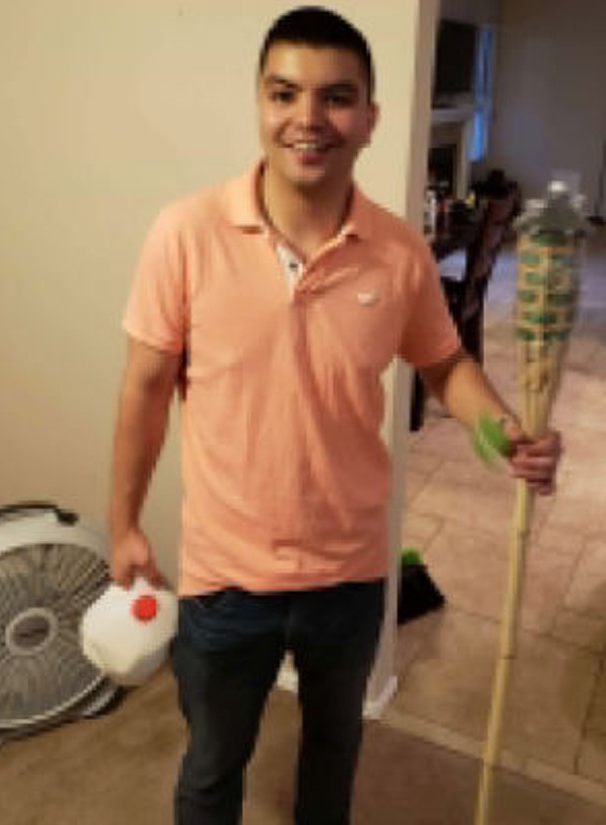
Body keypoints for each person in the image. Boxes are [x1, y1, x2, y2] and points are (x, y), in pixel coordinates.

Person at [108, 7, 562, 824]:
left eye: (336, 97)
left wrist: (503, 435)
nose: (308, 119)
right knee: (211, 767)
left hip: (350, 572)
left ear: (370, 119)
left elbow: (443, 361)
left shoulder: (397, 250)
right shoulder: (185, 234)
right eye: (285, 94)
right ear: (259, 103)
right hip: (225, 577)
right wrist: (124, 522)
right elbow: (144, 385)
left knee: (333, 755)